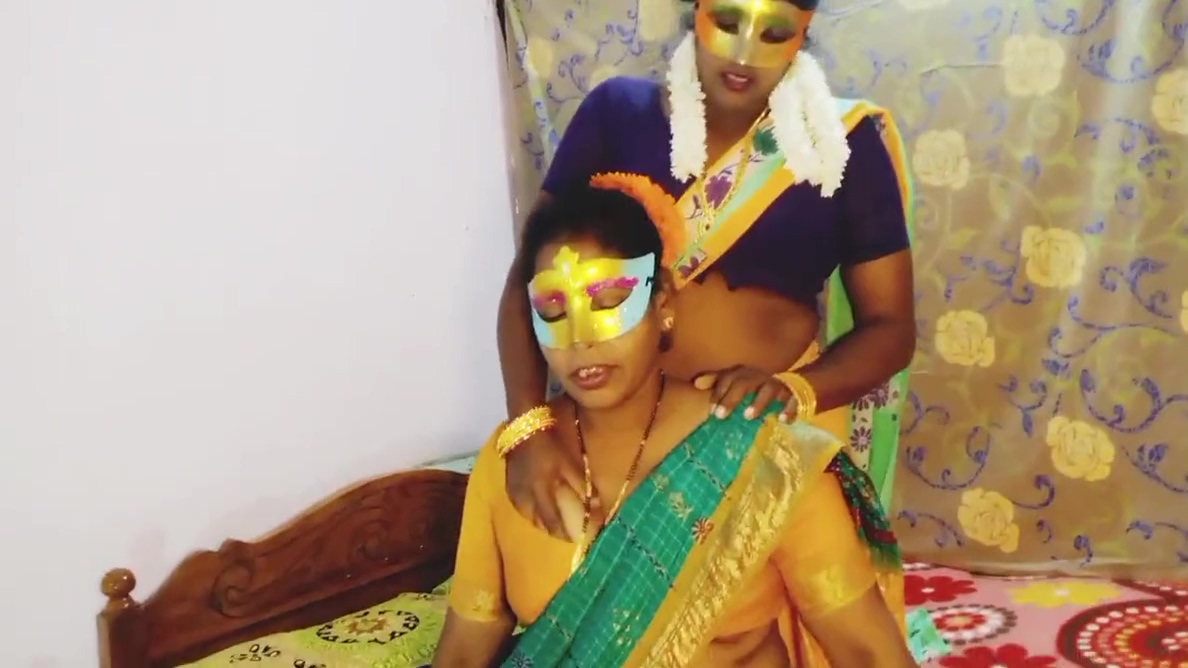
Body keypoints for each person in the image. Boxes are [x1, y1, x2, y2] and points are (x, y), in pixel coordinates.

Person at [432, 183, 917, 667]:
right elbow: (465, 650)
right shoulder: (513, 460)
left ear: (662, 304)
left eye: (608, 301)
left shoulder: (764, 455)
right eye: (554, 311)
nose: (581, 339)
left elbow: (869, 653)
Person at [497, 0, 916, 539]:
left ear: (803, 34)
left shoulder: (840, 144)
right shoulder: (617, 114)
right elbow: (529, 282)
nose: (743, 54)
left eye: (774, 32)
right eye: (727, 21)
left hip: (768, 433)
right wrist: (527, 429)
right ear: (695, 11)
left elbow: (890, 328)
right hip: (613, 436)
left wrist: (795, 390)